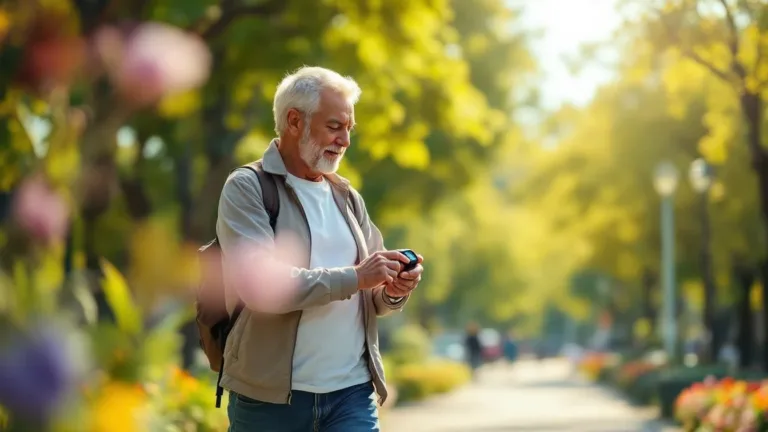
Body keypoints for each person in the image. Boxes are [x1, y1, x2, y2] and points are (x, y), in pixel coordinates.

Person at [216, 66, 424, 432]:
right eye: (334, 126)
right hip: (270, 402)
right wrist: (356, 277)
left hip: (351, 394)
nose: (345, 140)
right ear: (294, 121)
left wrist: (392, 290)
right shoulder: (246, 188)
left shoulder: (347, 196)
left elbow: (370, 291)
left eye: (349, 129)